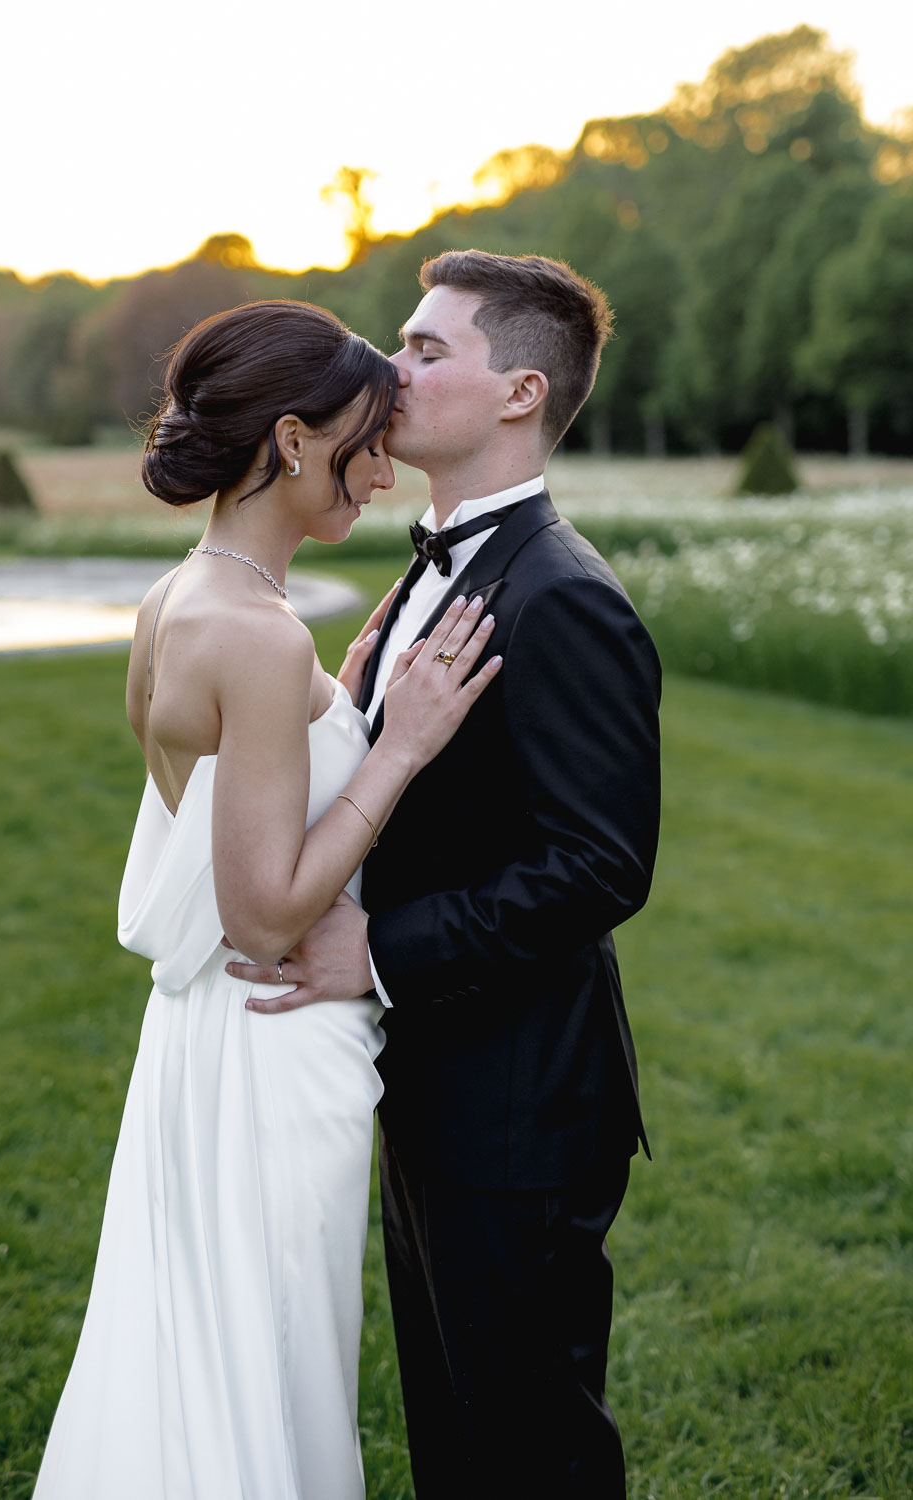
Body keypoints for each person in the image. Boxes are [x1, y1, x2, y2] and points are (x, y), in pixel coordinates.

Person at [31, 299, 502, 1500]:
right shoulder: (254, 635)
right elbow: (265, 915)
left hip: (199, 1043)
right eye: (362, 439)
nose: (383, 468)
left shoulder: (180, 599)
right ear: (292, 442)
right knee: (274, 1358)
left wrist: (337, 709)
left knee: (204, 1347)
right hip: (269, 1047)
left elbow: (223, 801)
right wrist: (396, 749)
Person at [226, 252, 663, 1498]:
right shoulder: (441, 567)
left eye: (426, 350)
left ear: (521, 391)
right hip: (434, 1072)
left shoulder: (562, 597)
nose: (390, 366)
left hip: (518, 1099)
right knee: (454, 1429)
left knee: (526, 1444)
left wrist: (379, 948)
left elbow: (598, 864)